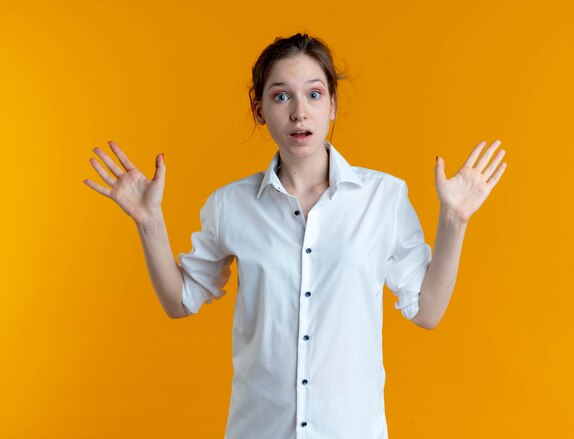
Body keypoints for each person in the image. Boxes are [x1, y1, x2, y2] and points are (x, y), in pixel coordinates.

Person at [83, 33, 506, 439]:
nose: (299, 112)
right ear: (260, 109)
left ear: (333, 105)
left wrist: (454, 222)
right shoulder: (230, 205)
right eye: (281, 95)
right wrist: (149, 220)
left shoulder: (384, 198)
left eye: (314, 94)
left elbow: (427, 311)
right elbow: (180, 301)